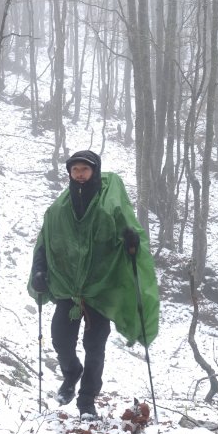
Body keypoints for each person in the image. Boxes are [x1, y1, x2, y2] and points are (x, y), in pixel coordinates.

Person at [28, 150, 159, 419]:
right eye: (75, 170)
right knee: (60, 338)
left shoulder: (108, 204)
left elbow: (124, 228)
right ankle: (71, 372)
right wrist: (39, 271)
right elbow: (45, 242)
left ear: (94, 171)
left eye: (84, 169)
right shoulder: (58, 210)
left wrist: (131, 241)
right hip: (68, 287)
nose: (79, 174)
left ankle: (87, 400)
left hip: (100, 289)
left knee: (94, 345)